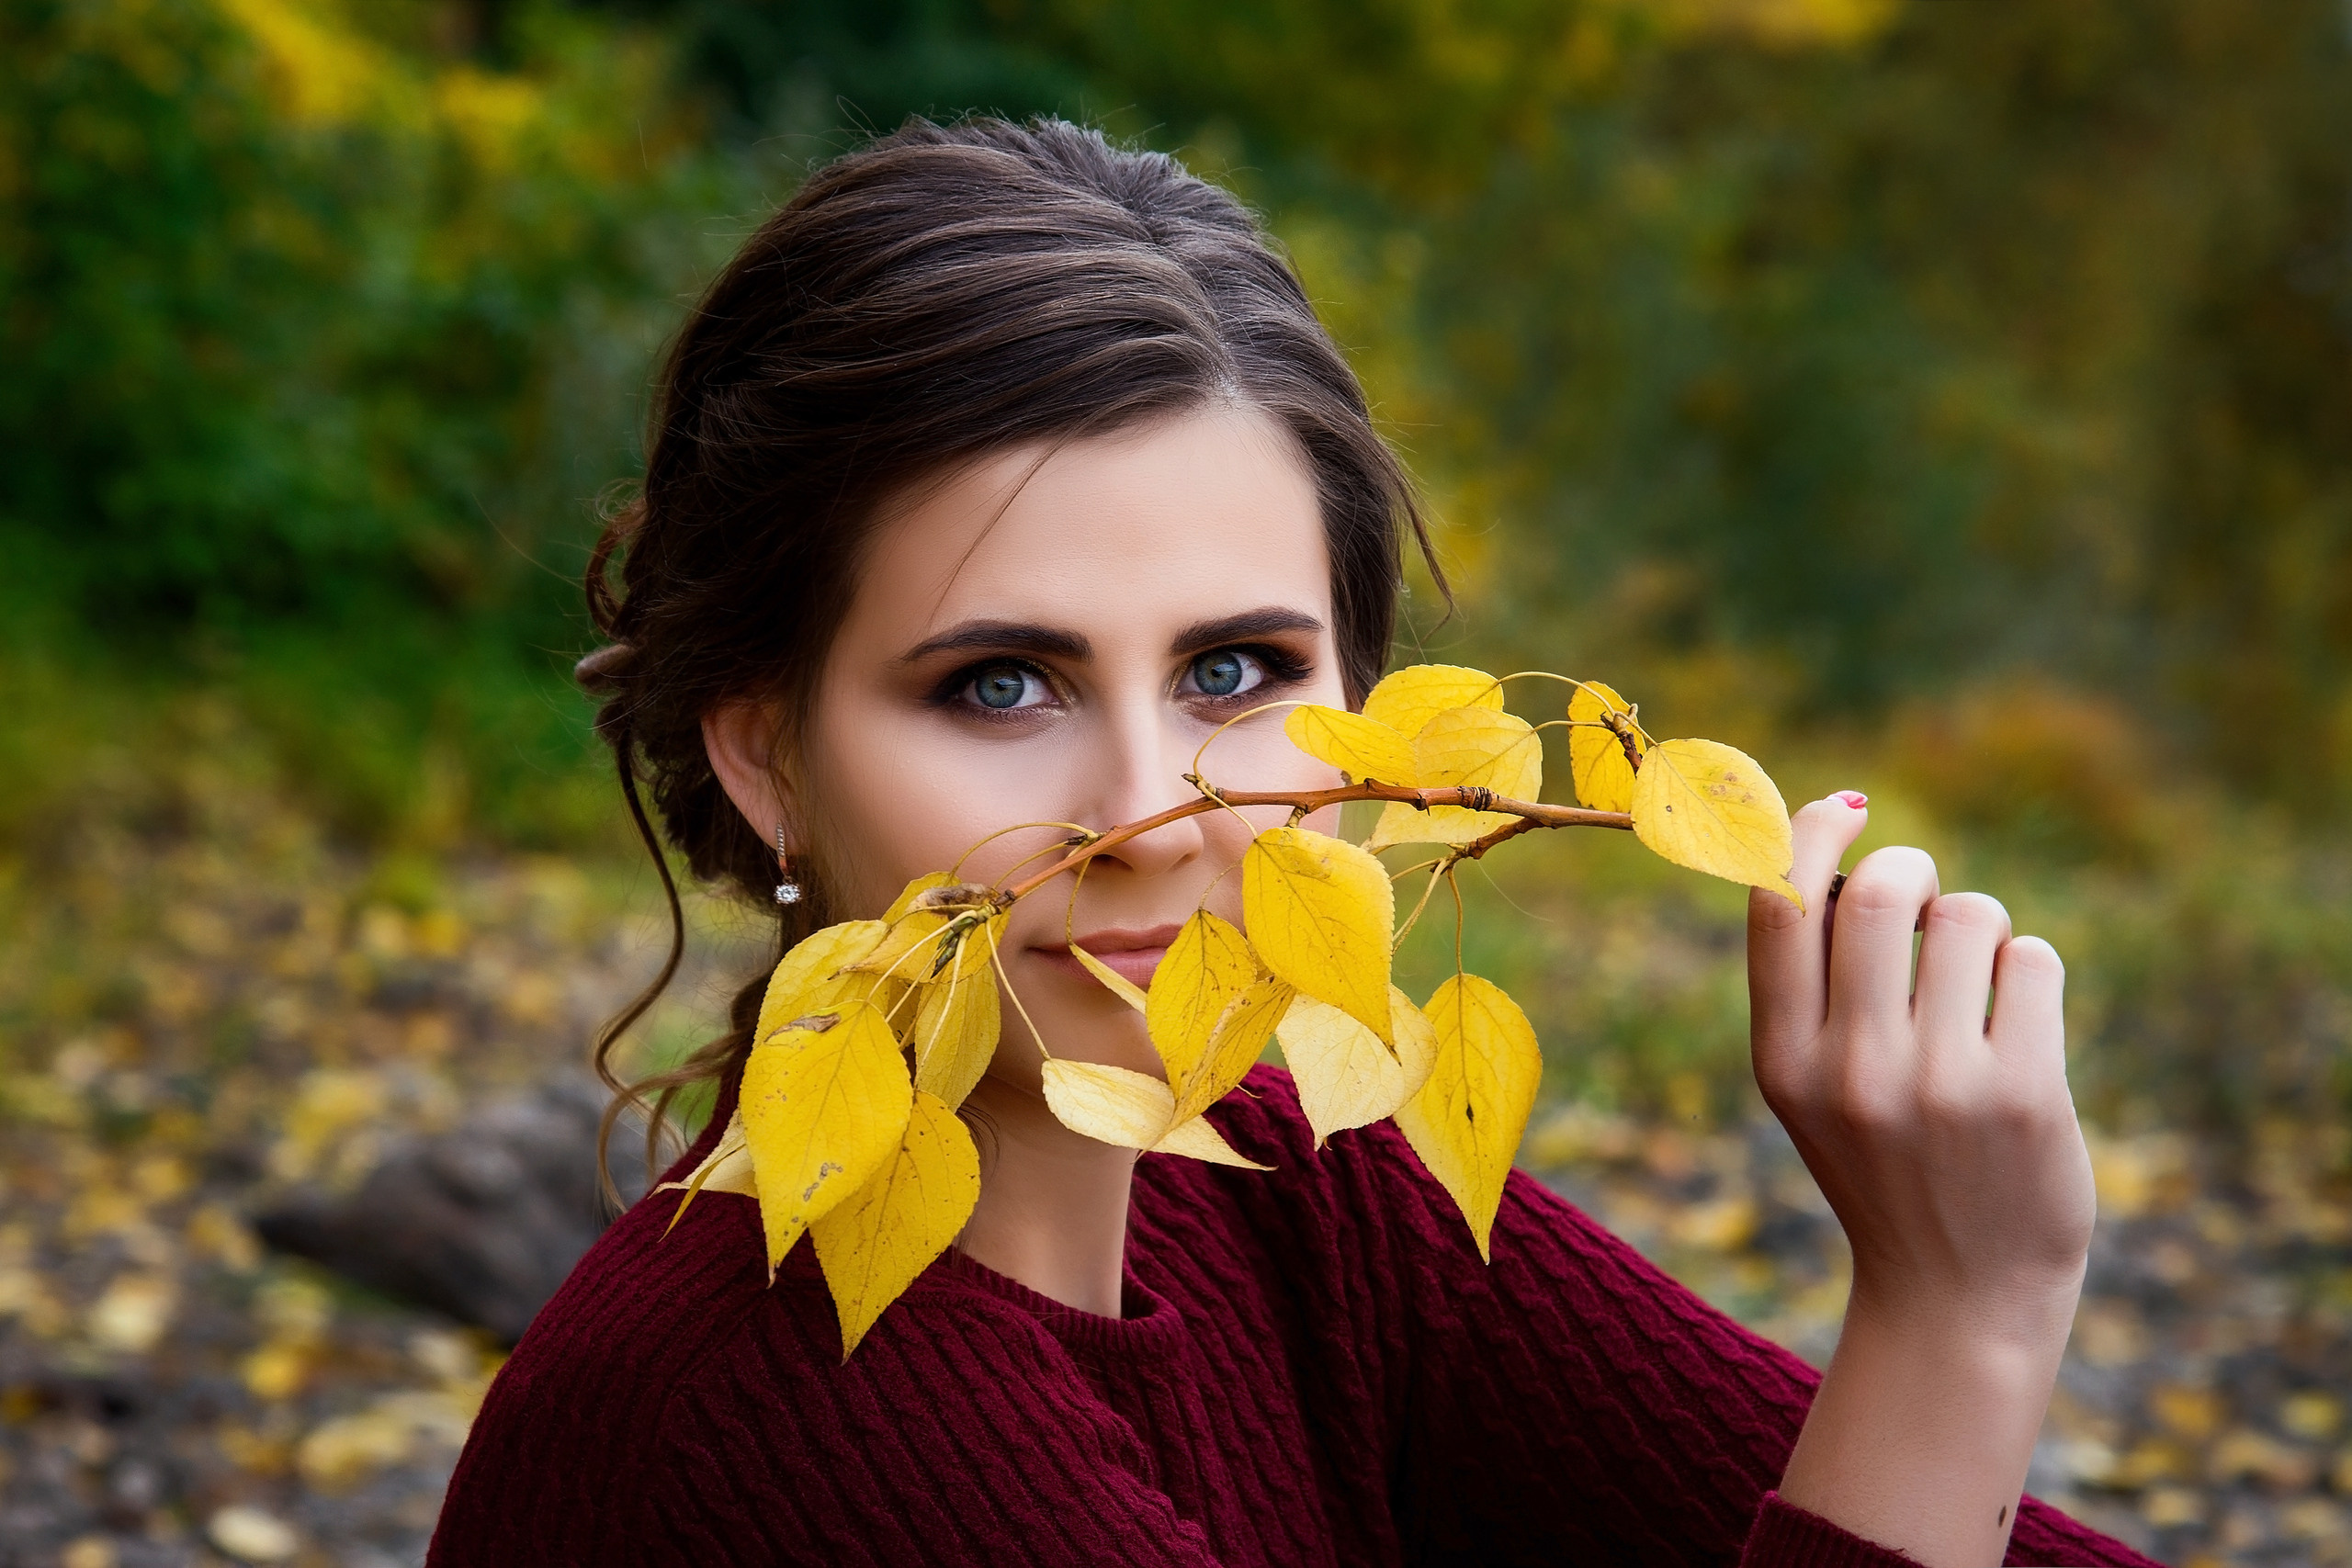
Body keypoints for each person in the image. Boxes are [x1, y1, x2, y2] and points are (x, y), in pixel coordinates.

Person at [428, 118, 2148, 1567]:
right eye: (1002, 683)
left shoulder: (1272, 1169)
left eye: (1236, 671)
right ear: (768, 755)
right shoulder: (795, 1426)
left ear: (1371, 713)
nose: (1148, 819)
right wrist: (1959, 1315)